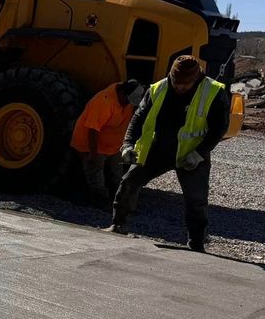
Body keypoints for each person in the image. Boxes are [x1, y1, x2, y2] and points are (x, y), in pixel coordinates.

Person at [110, 55, 230, 252]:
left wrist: (199, 153)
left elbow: (219, 128)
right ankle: (117, 224)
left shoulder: (213, 92)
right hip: (157, 149)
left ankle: (196, 243)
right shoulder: (158, 89)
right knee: (129, 181)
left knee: (196, 198)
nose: (180, 87)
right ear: (170, 76)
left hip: (191, 153)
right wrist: (128, 145)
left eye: (185, 84)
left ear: (197, 78)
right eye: (176, 82)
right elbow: (138, 118)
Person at [71, 79, 144, 207]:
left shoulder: (127, 98)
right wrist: (92, 154)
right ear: (122, 93)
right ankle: (100, 201)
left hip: (113, 146)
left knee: (117, 175)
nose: (129, 104)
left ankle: (120, 201)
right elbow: (92, 130)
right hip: (93, 144)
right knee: (95, 174)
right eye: (128, 101)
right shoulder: (103, 101)